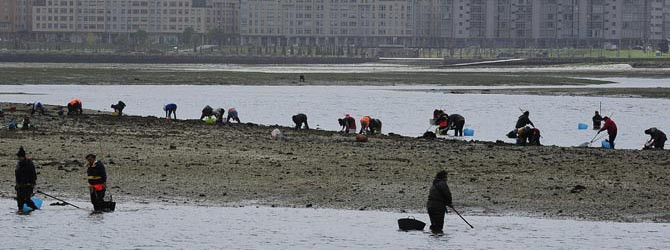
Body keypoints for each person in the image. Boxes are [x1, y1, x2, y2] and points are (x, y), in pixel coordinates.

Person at [426, 170, 452, 235]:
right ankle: (438, 237)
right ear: (444, 177)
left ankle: (433, 235)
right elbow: (447, 195)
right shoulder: (442, 184)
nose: (447, 179)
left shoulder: (434, 184)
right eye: (446, 177)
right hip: (438, 207)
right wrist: (450, 203)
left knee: (434, 225)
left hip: (430, 206)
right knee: (439, 227)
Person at [15, 147, 38, 213]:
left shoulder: (29, 164)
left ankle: (35, 209)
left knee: (27, 200)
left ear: (23, 157)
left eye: (20, 157)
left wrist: (32, 183)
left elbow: (33, 174)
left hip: (28, 185)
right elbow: (17, 175)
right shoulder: (18, 165)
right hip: (20, 185)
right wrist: (17, 184)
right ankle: (20, 210)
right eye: (18, 157)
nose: (19, 159)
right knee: (19, 199)